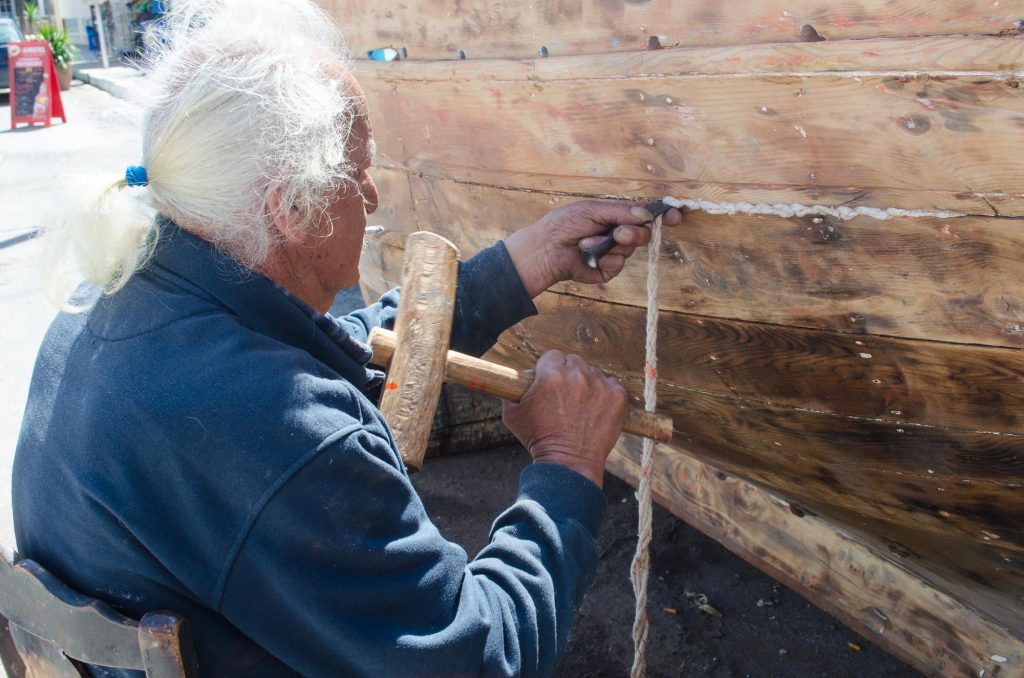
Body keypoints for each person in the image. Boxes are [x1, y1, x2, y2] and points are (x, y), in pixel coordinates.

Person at [13, 1, 682, 676]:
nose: (372, 194)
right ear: (294, 208)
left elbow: (325, 355)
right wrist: (565, 468)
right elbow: (479, 662)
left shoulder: (115, 301)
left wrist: (518, 266)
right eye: (359, 175)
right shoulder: (268, 426)